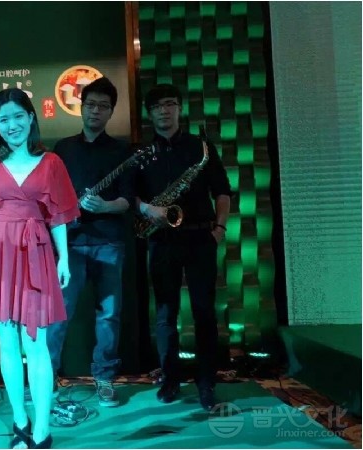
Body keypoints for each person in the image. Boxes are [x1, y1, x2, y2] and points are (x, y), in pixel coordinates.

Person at [0, 88, 80, 449]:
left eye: (17, 116)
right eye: (3, 119)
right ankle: (19, 421)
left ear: (30, 117)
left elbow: (58, 217)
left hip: (36, 253)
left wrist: (63, 257)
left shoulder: (52, 162)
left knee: (37, 344)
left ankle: (42, 430)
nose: (11, 125)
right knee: (7, 341)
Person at [135, 84, 232, 411]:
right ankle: (170, 379)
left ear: (179, 108)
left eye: (170, 104)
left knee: (205, 313)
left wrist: (220, 228)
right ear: (149, 113)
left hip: (200, 238)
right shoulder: (143, 153)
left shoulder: (201, 147)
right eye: (157, 106)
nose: (164, 110)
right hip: (162, 241)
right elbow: (131, 197)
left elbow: (222, 191)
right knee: (165, 315)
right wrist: (147, 208)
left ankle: (206, 382)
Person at [45, 77, 135, 407]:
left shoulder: (122, 151)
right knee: (58, 314)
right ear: (81, 108)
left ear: (111, 111)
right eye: (91, 104)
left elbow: (128, 200)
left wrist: (105, 206)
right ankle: (47, 377)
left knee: (109, 315)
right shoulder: (63, 149)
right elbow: (50, 195)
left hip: (108, 243)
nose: (96, 111)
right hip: (69, 244)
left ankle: (105, 378)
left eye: (103, 106)